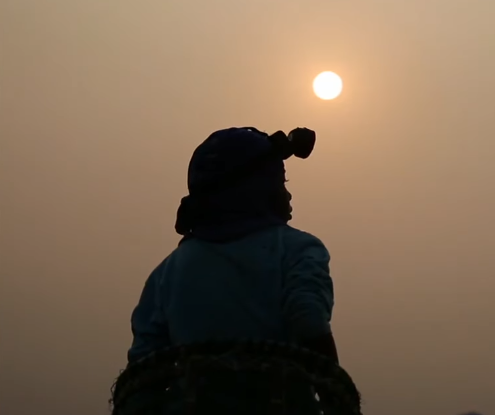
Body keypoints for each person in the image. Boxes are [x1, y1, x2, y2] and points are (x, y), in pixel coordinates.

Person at [112, 127, 359, 415]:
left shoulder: (167, 273)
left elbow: (143, 377)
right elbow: (309, 323)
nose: (288, 195)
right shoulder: (298, 249)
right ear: (258, 188)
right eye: (279, 181)